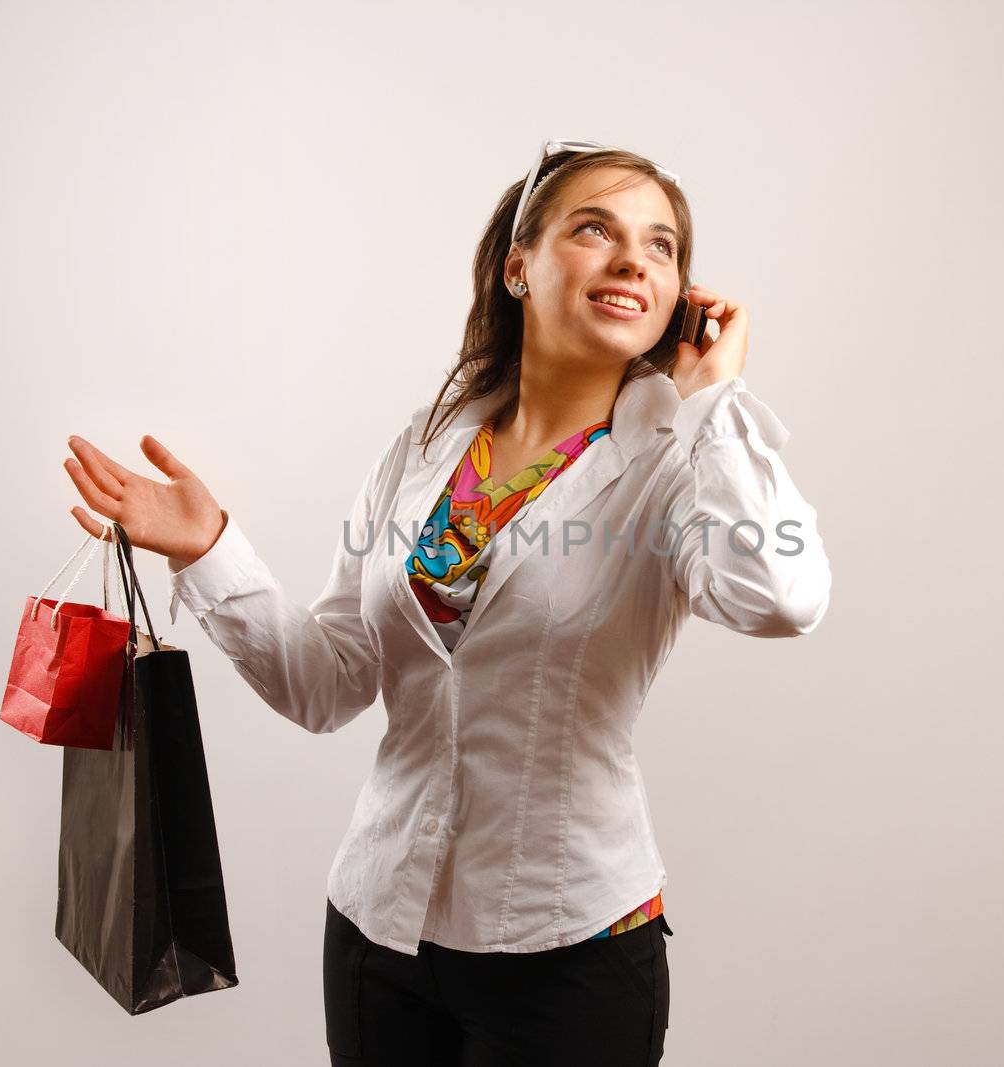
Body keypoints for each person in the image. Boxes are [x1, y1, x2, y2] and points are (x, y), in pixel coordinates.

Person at [62, 140, 831, 1066]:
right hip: (379, 931)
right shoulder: (432, 447)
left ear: (679, 295)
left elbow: (783, 596)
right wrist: (210, 546)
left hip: (570, 949)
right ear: (519, 265)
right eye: (596, 228)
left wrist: (716, 401)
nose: (634, 258)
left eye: (662, 247)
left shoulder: (678, 465)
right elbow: (328, 682)